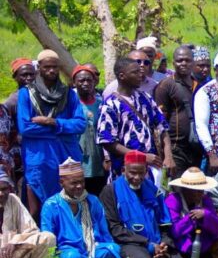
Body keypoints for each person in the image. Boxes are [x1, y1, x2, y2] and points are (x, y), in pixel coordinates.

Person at [101, 150, 196, 258]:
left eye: (141, 173)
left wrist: (164, 243)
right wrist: (148, 245)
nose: (137, 177)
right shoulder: (110, 191)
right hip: (130, 243)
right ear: (123, 170)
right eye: (132, 173)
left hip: (157, 242)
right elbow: (115, 228)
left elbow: (164, 222)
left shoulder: (152, 189)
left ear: (146, 170)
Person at [41, 158, 125, 258]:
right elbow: (48, 242)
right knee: (73, 257)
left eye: (82, 182)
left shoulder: (92, 201)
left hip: (91, 249)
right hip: (65, 255)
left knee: (112, 249)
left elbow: (105, 234)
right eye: (74, 183)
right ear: (61, 183)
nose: (79, 186)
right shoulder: (51, 205)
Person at [18, 50, 86, 218]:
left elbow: (80, 124)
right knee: (40, 207)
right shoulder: (26, 93)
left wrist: (55, 123)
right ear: (39, 68)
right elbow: (25, 128)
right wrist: (61, 131)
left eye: (55, 67)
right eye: (47, 67)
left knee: (71, 202)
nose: (51, 71)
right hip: (40, 157)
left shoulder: (68, 93)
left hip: (66, 155)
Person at [97, 57, 174, 180]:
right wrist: (141, 156)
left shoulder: (145, 98)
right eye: (135, 72)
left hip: (150, 170)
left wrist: (168, 155)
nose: (140, 74)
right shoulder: (110, 104)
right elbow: (108, 142)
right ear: (122, 76)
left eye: (140, 71)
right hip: (125, 171)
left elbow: (162, 127)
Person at [0, 170, 55, 258]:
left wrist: (14, 243)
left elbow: (31, 229)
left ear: (10, 189)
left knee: (47, 238)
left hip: (13, 253)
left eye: (4, 189)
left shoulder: (13, 200)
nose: (1, 194)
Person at [154, 45, 204, 176]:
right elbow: (159, 124)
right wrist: (167, 154)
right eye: (179, 60)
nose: (183, 63)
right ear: (173, 63)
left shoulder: (199, 86)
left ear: (193, 62)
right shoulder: (166, 85)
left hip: (197, 148)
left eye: (187, 60)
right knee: (176, 190)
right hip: (176, 149)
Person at [166, 167, 218, 258]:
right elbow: (174, 231)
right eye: (194, 191)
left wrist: (205, 214)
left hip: (202, 245)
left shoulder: (205, 200)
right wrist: (191, 218)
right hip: (180, 248)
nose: (198, 194)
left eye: (201, 190)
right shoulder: (173, 200)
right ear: (185, 189)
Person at [72, 65, 108, 196]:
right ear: (74, 82)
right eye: (81, 81)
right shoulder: (70, 104)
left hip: (99, 160)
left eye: (89, 80)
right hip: (78, 159)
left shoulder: (101, 104)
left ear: (94, 82)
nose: (85, 84)